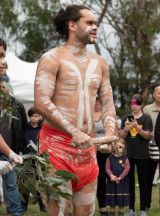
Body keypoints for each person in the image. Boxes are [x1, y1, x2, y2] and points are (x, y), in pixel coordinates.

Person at [34, 4, 117, 216]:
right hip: (56, 147)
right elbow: (41, 102)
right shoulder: (52, 58)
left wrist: (109, 133)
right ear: (72, 25)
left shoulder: (100, 62)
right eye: (89, 22)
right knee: (60, 211)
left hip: (87, 149)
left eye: (96, 23)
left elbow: (107, 102)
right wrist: (74, 131)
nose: (95, 27)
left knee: (87, 211)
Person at [120, 94, 152, 216]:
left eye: (137, 103)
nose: (134, 106)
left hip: (143, 155)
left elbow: (147, 136)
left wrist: (136, 127)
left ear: (141, 104)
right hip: (129, 155)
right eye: (132, 103)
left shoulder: (146, 118)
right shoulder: (125, 119)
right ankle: (131, 209)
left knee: (143, 183)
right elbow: (121, 137)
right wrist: (127, 128)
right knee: (130, 183)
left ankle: (143, 209)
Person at [0, 77, 26, 216]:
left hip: (9, 150)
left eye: (5, 89)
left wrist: (15, 151)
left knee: (11, 183)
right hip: (7, 150)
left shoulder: (16, 106)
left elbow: (23, 127)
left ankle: (15, 212)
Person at [143, 84, 160, 210]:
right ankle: (147, 204)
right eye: (159, 93)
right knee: (149, 176)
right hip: (150, 145)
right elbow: (144, 126)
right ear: (154, 94)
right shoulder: (147, 109)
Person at [20, 107, 46, 213]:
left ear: (39, 117)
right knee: (26, 183)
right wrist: (25, 153)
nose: (34, 118)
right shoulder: (24, 128)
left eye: (36, 116)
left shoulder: (42, 129)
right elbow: (21, 142)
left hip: (39, 159)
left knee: (40, 183)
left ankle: (42, 205)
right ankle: (23, 206)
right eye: (32, 116)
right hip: (27, 158)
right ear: (29, 116)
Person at [93, 97, 113, 216]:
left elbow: (112, 132)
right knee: (97, 178)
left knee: (106, 178)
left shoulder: (106, 115)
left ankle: (107, 206)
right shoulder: (88, 115)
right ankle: (101, 206)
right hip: (92, 151)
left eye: (99, 101)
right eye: (95, 101)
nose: (97, 103)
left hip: (106, 151)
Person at [105, 139, 130, 216]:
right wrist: (111, 175)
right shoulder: (109, 158)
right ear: (114, 147)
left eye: (122, 147)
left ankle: (121, 214)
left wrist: (120, 177)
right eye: (118, 147)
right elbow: (107, 168)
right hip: (112, 182)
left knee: (121, 203)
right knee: (112, 204)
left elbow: (127, 168)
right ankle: (112, 213)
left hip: (122, 182)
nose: (120, 149)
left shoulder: (125, 158)